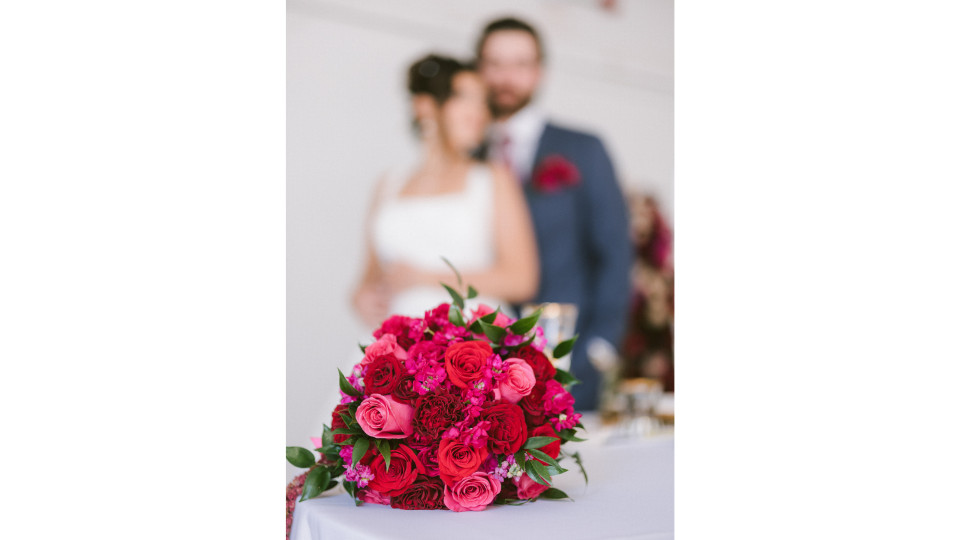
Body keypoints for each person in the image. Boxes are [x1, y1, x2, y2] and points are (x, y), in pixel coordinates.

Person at [475, 18, 633, 410]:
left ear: (539, 71)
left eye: (520, 64)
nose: (506, 77)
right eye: (495, 63)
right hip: (477, 368)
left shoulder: (584, 149)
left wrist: (599, 348)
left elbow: (615, 252)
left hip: (568, 359)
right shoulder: (465, 158)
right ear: (478, 69)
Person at [352, 54, 539, 328]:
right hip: (395, 337)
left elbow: (521, 280)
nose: (480, 113)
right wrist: (362, 297)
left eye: (483, 102)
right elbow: (370, 276)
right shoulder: (388, 184)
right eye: (465, 98)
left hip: (469, 336)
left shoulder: (492, 179)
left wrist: (424, 278)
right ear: (424, 105)